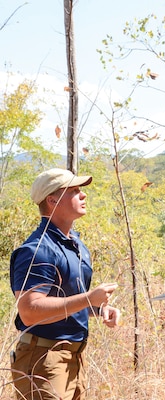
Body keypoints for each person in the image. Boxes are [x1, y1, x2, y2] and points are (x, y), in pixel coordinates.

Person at [10, 168, 120, 400]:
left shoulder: (75, 244)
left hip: (74, 359)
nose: (83, 195)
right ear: (52, 200)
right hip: (43, 359)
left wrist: (99, 309)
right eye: (74, 191)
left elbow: (66, 302)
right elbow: (30, 312)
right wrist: (89, 298)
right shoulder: (38, 250)